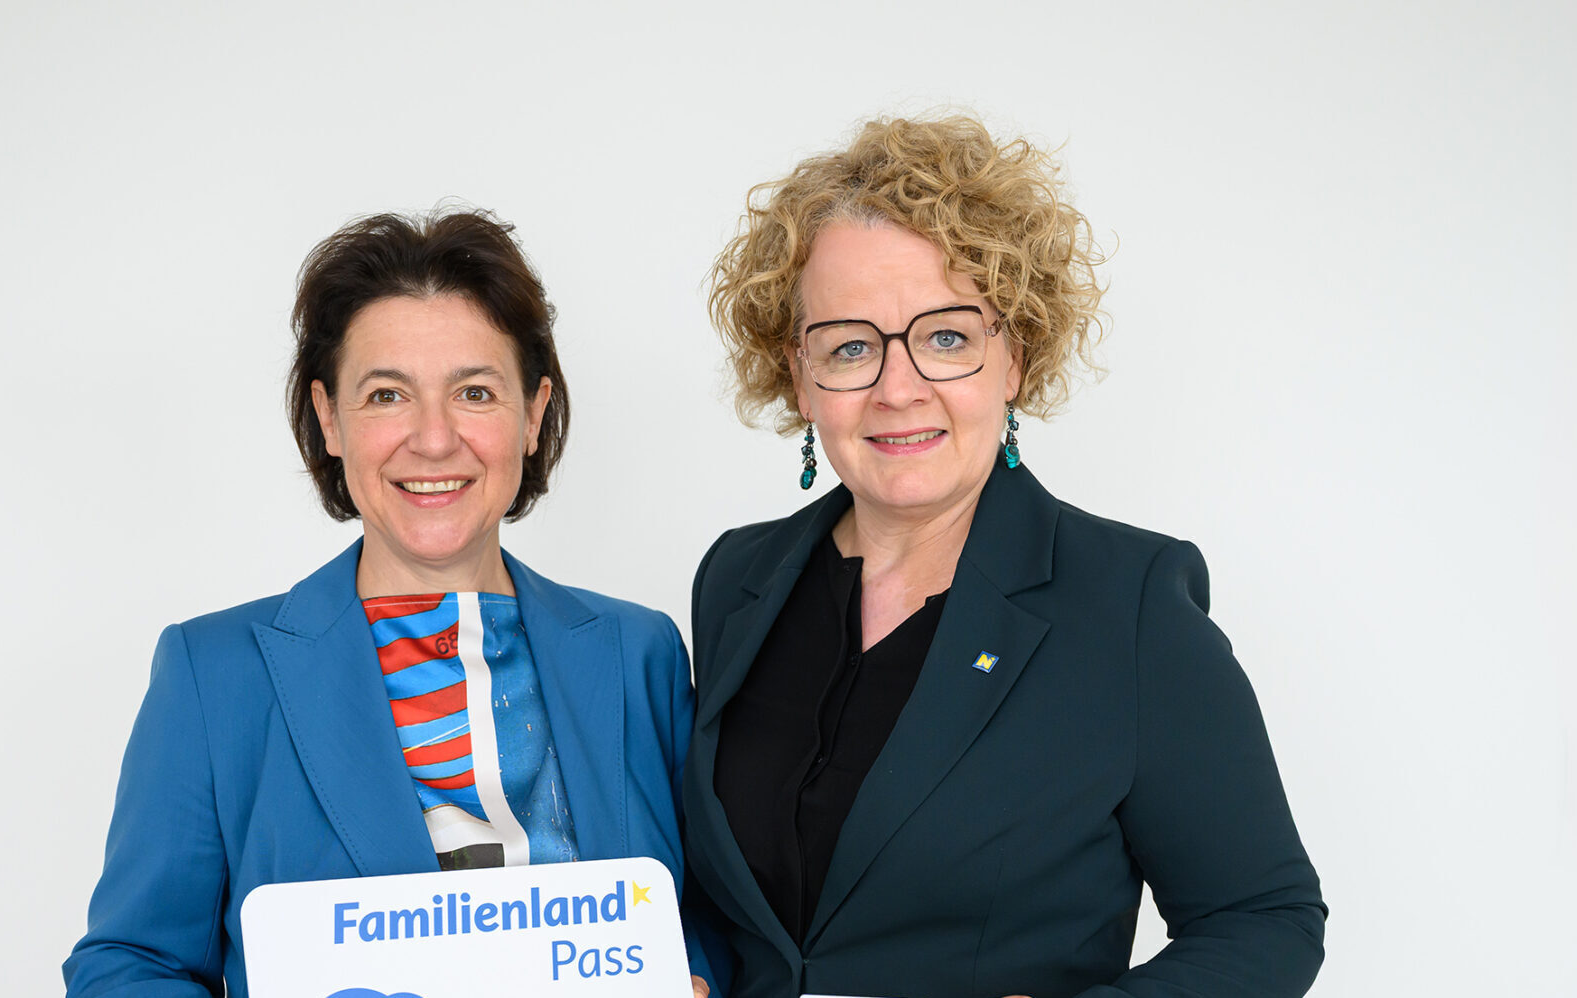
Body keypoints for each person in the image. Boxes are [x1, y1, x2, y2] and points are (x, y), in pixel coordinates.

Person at [684, 116, 1326, 998]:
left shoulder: (1131, 604)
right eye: (850, 346)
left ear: (1014, 356)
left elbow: (1264, 919)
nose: (897, 388)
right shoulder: (737, 580)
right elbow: (730, 903)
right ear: (799, 377)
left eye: (946, 337)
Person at [65, 210, 716, 997]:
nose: (433, 439)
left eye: (475, 392)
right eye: (386, 395)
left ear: (533, 414)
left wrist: (697, 979)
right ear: (330, 419)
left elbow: (710, 919)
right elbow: (131, 965)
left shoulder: (639, 655)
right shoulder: (215, 676)